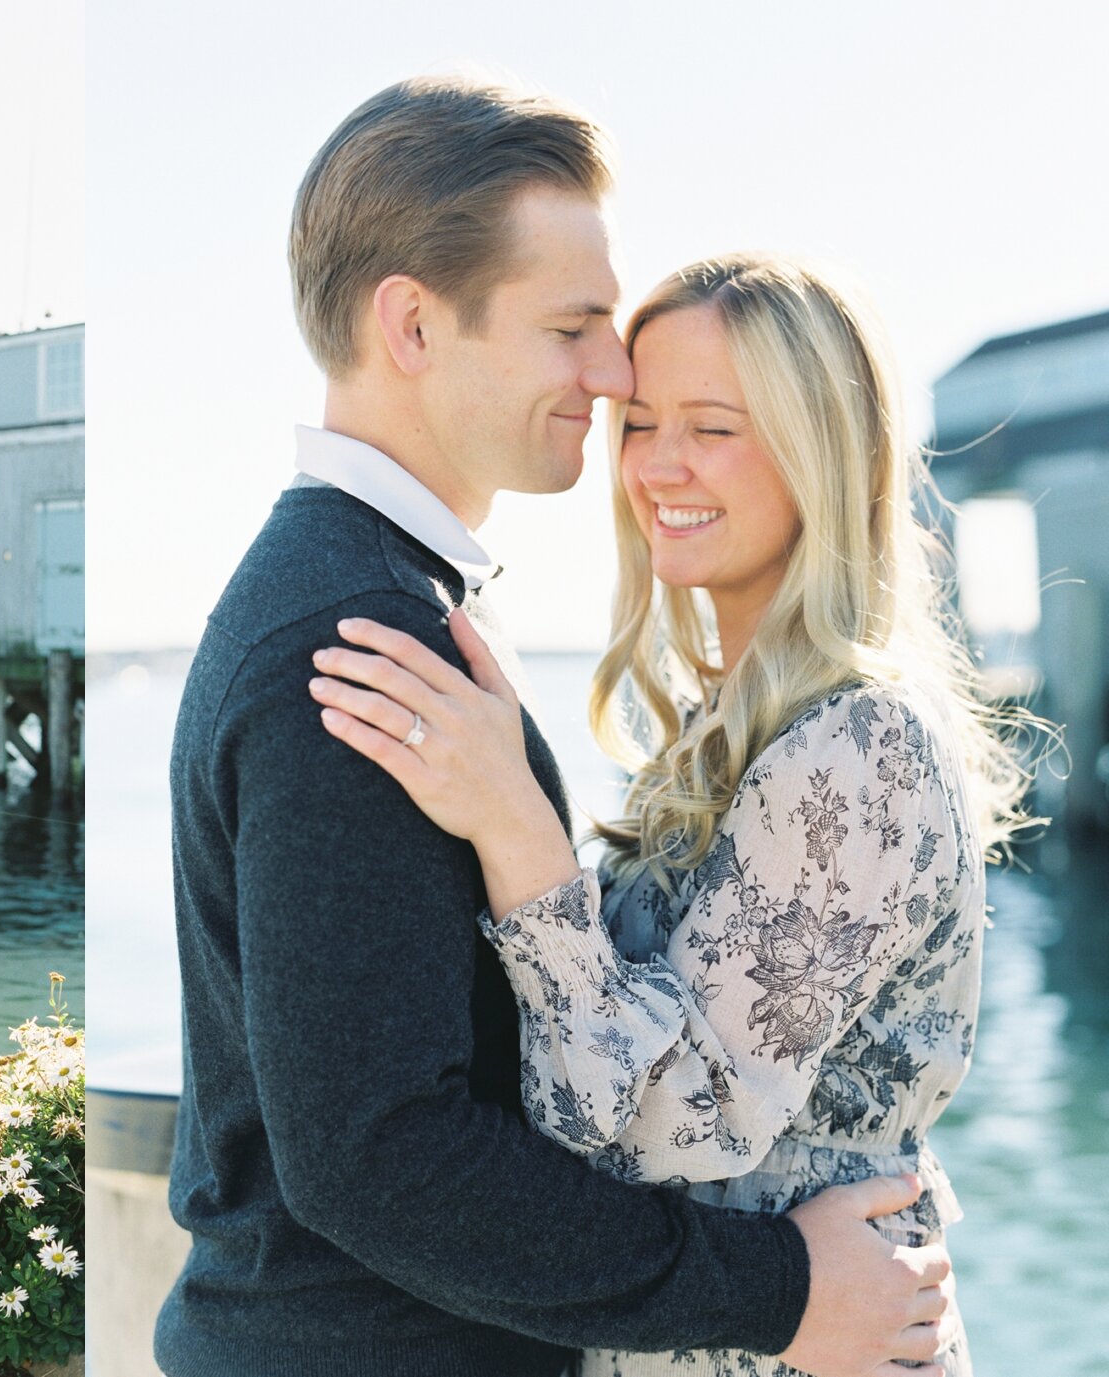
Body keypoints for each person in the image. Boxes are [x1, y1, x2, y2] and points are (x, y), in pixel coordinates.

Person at [157, 79, 958, 1377]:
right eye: (576, 328)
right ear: (413, 324)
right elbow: (379, 1157)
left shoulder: (382, 604)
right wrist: (780, 1291)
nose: (612, 370)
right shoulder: (358, 640)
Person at [313, 253, 1037, 1375]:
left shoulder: (855, 748)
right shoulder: (734, 727)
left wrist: (517, 832)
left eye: (712, 427)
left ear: (820, 450)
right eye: (641, 424)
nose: (658, 466)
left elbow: (676, 1123)